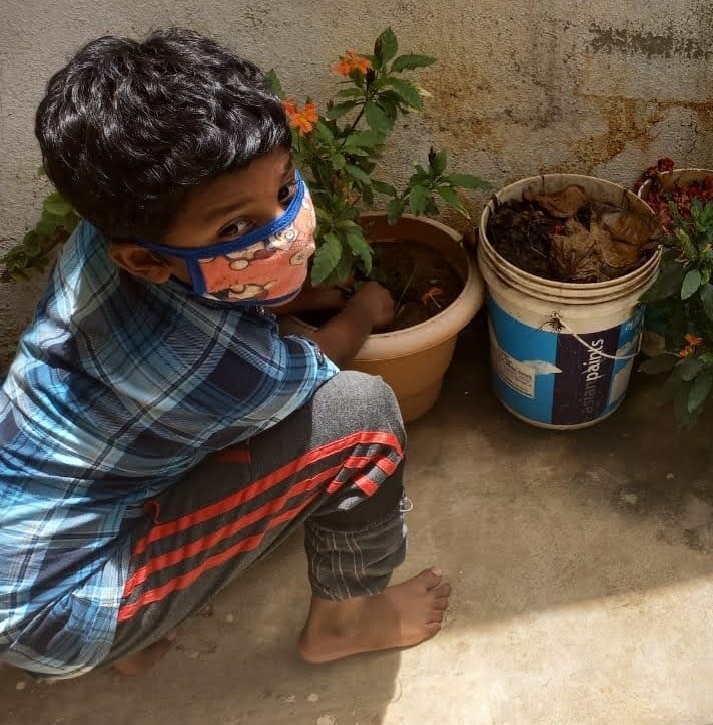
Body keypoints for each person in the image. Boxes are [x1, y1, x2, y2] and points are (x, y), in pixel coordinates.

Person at [0, 29, 451, 679]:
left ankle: (125, 634)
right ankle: (343, 623)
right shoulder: (218, 364)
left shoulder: (107, 244)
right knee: (364, 415)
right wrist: (360, 311)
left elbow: (233, 284)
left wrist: (287, 278)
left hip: (32, 525)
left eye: (286, 185)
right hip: (50, 611)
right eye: (237, 228)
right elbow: (321, 362)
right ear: (147, 259)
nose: (286, 225)